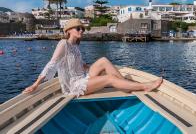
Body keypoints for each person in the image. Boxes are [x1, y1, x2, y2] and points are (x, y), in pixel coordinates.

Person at [23, 19, 163, 97]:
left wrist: (95, 69)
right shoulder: (63, 44)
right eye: (78, 28)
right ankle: (144, 86)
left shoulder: (75, 46)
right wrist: (36, 84)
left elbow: (82, 65)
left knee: (103, 60)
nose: (81, 31)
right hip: (75, 86)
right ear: (68, 31)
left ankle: (124, 84)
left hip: (83, 76)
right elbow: (51, 65)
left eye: (82, 29)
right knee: (109, 78)